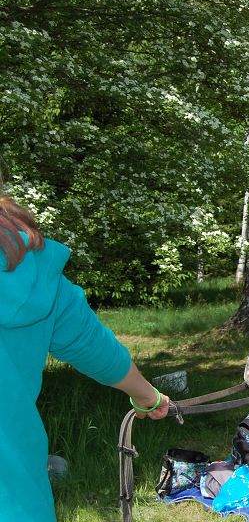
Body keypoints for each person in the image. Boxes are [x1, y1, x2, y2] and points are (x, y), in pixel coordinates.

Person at [0, 195, 170, 521]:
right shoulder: (36, 271)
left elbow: (93, 345)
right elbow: (94, 347)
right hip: (19, 499)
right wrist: (148, 397)